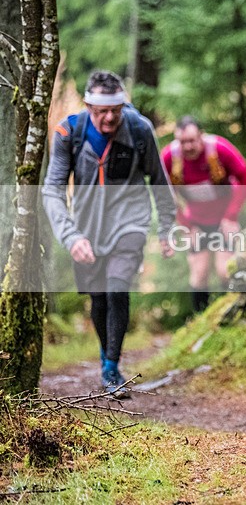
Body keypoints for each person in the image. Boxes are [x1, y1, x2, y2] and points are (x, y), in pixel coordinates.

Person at [43, 70, 176, 398]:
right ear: (88, 105)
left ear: (122, 104)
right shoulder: (68, 132)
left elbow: (159, 180)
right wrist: (71, 237)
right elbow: (51, 190)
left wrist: (168, 228)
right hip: (86, 228)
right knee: (98, 297)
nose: (109, 117)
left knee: (118, 287)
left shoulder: (140, 129)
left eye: (115, 109)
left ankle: (112, 368)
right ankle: (107, 358)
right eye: (101, 111)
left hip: (131, 221)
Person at [161, 116, 246, 312]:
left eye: (192, 140)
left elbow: (244, 176)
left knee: (225, 269)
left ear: (201, 136)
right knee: (199, 272)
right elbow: (167, 197)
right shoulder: (170, 158)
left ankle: (234, 314)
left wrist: (231, 216)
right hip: (197, 222)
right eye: (182, 142)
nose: (188, 147)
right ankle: (200, 320)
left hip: (225, 219)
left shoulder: (218, 150)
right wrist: (186, 226)